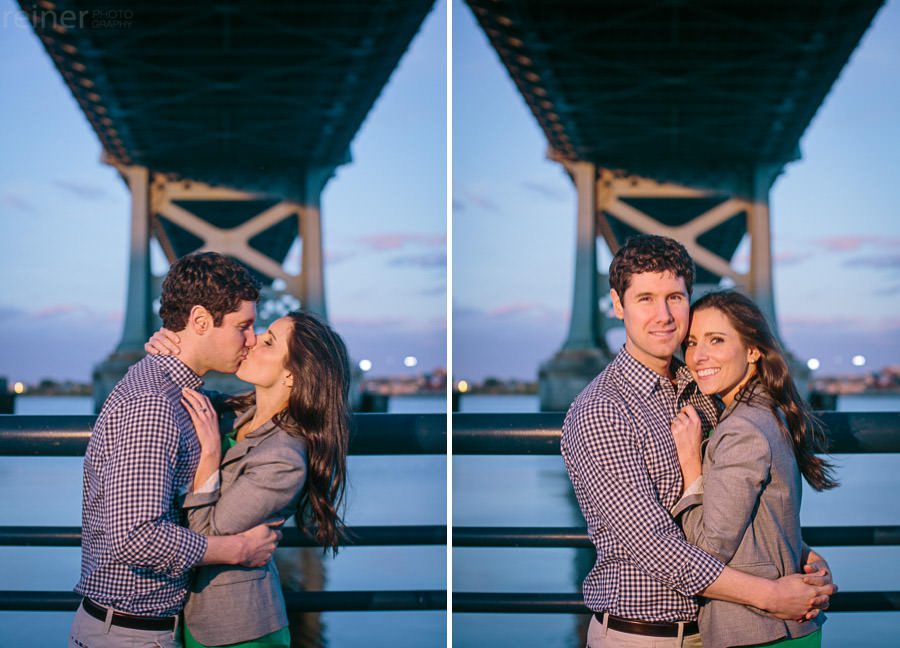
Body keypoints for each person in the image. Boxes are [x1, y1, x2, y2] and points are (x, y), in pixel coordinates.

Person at [560, 235, 835, 648]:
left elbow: (734, 502)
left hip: (722, 630)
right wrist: (771, 595)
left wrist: (798, 556)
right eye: (645, 299)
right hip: (646, 636)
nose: (664, 316)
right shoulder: (603, 411)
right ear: (617, 305)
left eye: (675, 298)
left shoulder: (702, 388)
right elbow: (654, 547)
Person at [70, 252, 283, 648]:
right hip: (130, 635)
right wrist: (238, 549)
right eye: (243, 326)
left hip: (144, 629)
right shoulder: (153, 404)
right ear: (200, 320)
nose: (251, 339)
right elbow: (134, 538)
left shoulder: (177, 390)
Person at [144, 310, 351, 647]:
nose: (251, 341)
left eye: (268, 342)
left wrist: (210, 454)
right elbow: (178, 389)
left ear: (292, 376)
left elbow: (205, 536)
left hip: (238, 629)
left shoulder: (283, 460)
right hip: (190, 617)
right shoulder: (235, 415)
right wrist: (168, 346)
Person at [670, 291, 839, 648]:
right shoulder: (770, 411)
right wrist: (801, 551)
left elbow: (708, 551)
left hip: (757, 631)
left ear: (752, 350)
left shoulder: (742, 428)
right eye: (692, 342)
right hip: (784, 629)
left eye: (716, 340)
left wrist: (690, 465)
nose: (698, 356)